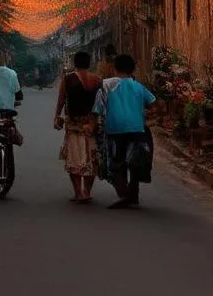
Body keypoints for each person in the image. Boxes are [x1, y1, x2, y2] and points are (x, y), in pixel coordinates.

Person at [93, 53, 156, 209]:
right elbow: (155, 105)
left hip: (114, 129)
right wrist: (146, 115)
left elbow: (96, 109)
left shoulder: (105, 85)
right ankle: (133, 194)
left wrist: (93, 125)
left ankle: (125, 194)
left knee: (116, 164)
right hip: (137, 129)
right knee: (135, 162)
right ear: (133, 69)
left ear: (114, 68)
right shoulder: (139, 87)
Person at [54, 50, 101, 203]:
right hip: (92, 124)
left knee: (73, 158)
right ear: (89, 63)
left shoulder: (68, 79)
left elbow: (61, 99)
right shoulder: (97, 80)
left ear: (75, 63)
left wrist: (57, 116)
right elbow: (102, 102)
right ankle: (86, 191)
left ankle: (78, 193)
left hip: (74, 124)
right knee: (91, 157)